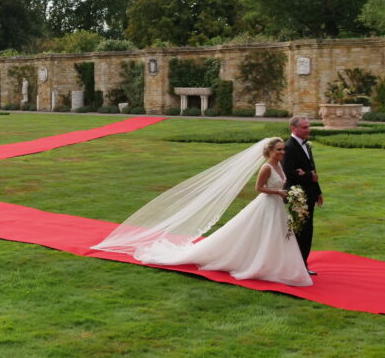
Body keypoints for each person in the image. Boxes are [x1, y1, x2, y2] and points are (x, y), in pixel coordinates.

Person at [93, 137, 312, 287]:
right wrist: (279, 193)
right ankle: (258, 263)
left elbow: (282, 183)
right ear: (269, 151)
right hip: (267, 204)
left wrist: (290, 193)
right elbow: (258, 189)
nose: (283, 152)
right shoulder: (265, 167)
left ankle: (274, 264)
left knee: (276, 235)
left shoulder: (280, 166)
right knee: (260, 233)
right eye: (279, 149)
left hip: (277, 206)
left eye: (283, 149)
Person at [282, 115, 322, 273]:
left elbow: (313, 171)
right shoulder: (288, 147)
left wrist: (318, 191)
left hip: (309, 194)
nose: (308, 130)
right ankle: (298, 266)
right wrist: (307, 176)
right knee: (301, 232)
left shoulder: (307, 145)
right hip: (297, 195)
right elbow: (288, 174)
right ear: (294, 128)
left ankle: (302, 264)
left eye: (308, 127)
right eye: (304, 127)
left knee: (307, 231)